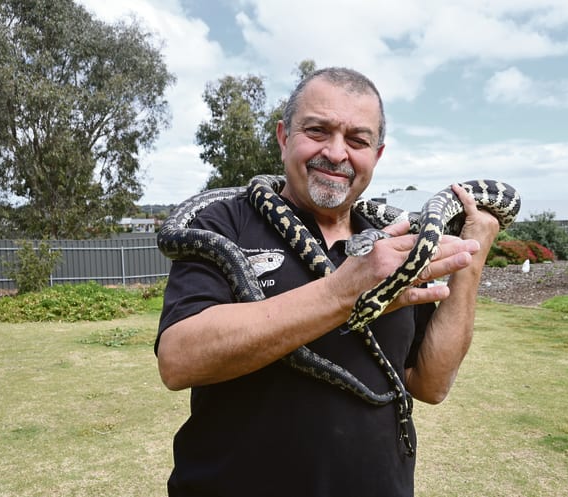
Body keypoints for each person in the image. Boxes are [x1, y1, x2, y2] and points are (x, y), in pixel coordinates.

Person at [155, 67, 500, 497]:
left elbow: (429, 384)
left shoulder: (398, 243)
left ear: (377, 154)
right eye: (317, 131)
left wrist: (473, 252)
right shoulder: (223, 223)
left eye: (357, 140)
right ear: (284, 137)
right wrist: (343, 292)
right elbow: (178, 359)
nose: (336, 153)